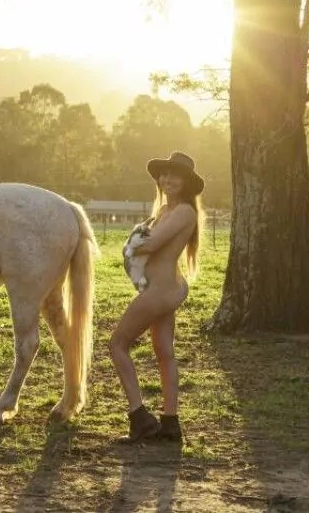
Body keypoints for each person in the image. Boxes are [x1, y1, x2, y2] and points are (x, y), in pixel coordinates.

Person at [110, 151, 205, 445]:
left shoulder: (185, 212)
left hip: (160, 292)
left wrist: (130, 245)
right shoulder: (165, 210)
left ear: (187, 181)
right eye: (163, 175)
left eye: (174, 175)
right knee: (164, 350)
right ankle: (170, 423)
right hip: (161, 290)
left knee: (117, 344)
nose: (167, 180)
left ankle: (140, 418)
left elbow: (150, 245)